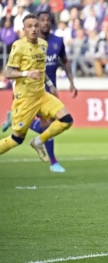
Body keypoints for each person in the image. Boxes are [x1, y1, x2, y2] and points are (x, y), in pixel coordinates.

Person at [2, 11, 78, 173]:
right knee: (16, 139)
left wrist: (50, 84)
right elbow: (8, 73)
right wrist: (25, 73)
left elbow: (41, 70)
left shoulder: (43, 44)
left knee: (66, 120)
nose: (34, 29)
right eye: (30, 26)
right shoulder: (19, 46)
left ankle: (38, 141)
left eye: (36, 26)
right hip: (25, 99)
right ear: (24, 29)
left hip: (42, 95)